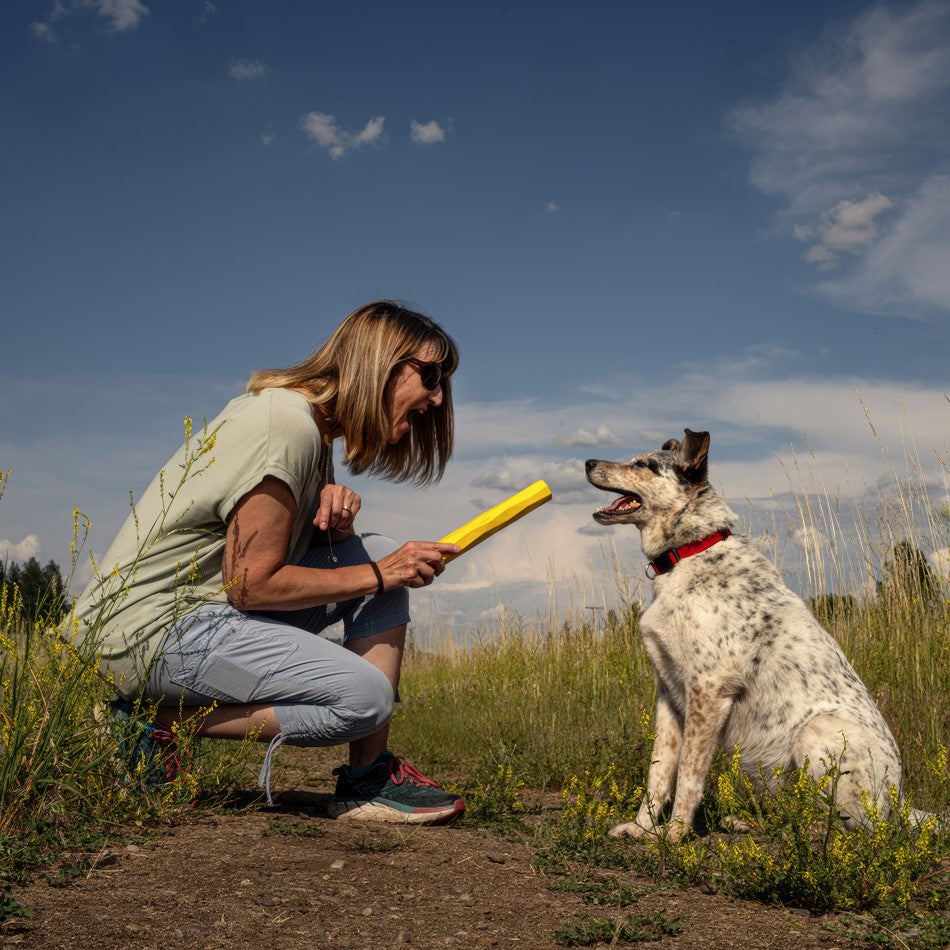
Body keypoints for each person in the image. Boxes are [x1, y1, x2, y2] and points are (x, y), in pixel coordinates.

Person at [75, 301, 464, 824]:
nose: (439, 397)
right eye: (432, 374)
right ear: (379, 362)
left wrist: (337, 536)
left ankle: (367, 780)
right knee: (364, 697)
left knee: (378, 549)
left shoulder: (307, 431)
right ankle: (144, 724)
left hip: (202, 616)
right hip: (147, 632)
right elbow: (249, 586)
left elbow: (246, 565)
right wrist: (379, 573)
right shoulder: (284, 424)